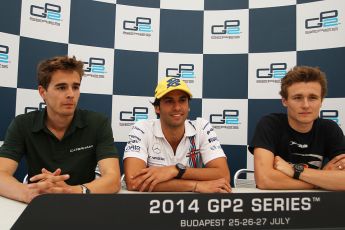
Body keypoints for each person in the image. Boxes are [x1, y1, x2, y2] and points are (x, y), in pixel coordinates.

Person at [0, 56, 121, 203]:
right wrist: (27, 193)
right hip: (38, 202)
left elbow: (113, 179)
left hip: (83, 203)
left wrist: (72, 191)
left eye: (75, 87)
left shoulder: (97, 122)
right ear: (42, 92)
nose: (71, 94)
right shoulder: (22, 124)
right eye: (61, 87)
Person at [123, 77, 231, 193]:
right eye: (169, 101)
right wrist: (195, 185)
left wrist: (175, 170)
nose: (177, 107)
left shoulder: (202, 127)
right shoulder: (142, 128)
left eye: (182, 100)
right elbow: (134, 182)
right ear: (157, 108)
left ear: (188, 106)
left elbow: (224, 175)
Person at [249, 66, 345, 190]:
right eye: (297, 98)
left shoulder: (329, 129)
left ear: (321, 101)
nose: (305, 105)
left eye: (312, 98)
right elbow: (265, 180)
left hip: (317, 206)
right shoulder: (270, 124)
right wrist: (322, 180)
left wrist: (294, 170)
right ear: (284, 101)